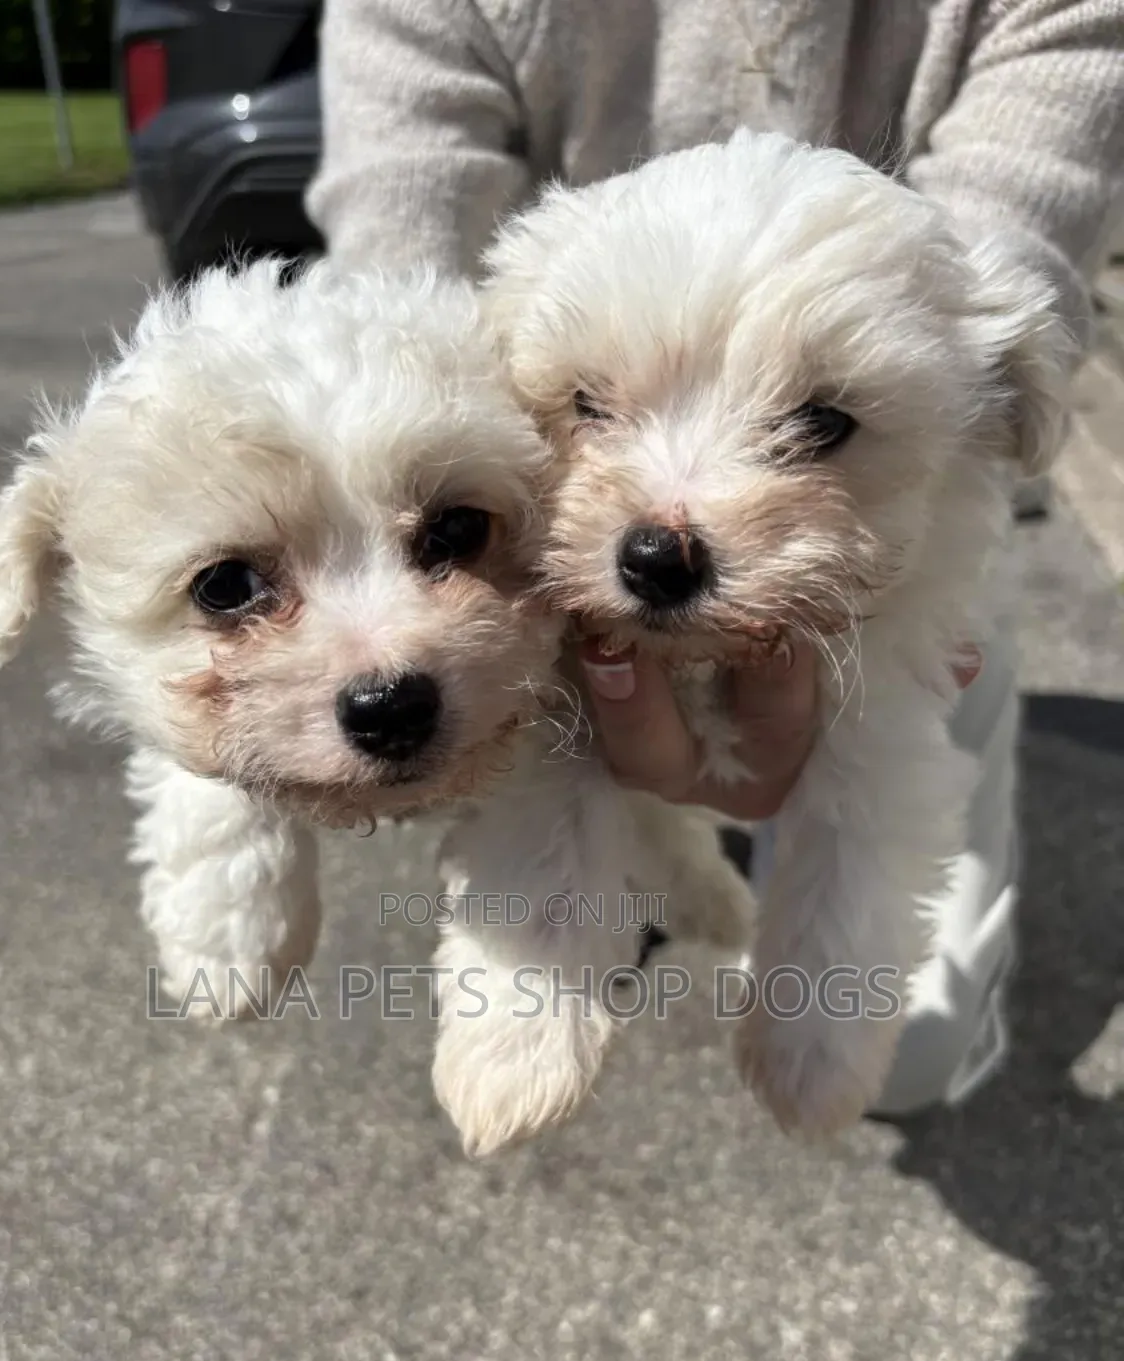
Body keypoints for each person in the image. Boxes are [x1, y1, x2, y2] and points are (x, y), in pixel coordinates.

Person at [306, 0, 1124, 1116]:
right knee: (567, 763)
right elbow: (400, 310)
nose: (667, 527)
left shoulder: (977, 361)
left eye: (817, 428)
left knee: (904, 1049)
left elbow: (1025, 222)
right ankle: (616, 899)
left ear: (993, 405)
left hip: (874, 596)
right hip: (560, 590)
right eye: (593, 405)